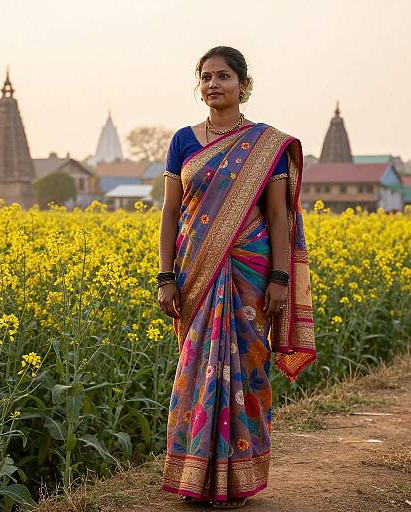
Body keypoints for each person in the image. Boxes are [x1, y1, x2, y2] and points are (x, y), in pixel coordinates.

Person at [157, 46, 316, 509]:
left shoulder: (266, 145)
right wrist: (165, 276)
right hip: (196, 272)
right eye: (205, 77)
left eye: (223, 76)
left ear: (243, 85)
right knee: (195, 370)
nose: (213, 84)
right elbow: (170, 213)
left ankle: (239, 480)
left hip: (252, 272)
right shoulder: (183, 141)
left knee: (245, 370)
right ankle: (195, 477)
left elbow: (278, 217)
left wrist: (281, 278)